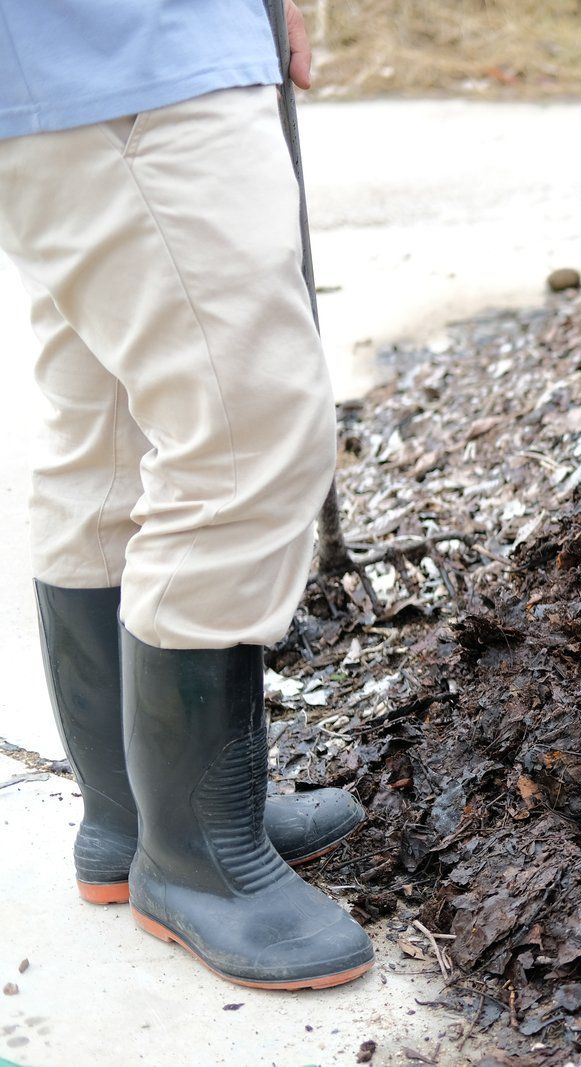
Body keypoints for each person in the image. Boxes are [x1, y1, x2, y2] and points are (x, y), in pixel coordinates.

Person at [0, 0, 373, 990]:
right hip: (125, 49)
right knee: (247, 432)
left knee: (113, 432)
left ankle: (135, 816)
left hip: (86, 62)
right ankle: (200, 860)